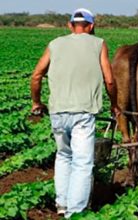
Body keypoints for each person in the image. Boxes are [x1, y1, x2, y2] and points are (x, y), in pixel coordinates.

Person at [30, 8, 120, 218]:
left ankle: (61, 204)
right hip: (83, 113)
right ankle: (75, 212)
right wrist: (114, 105)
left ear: (70, 25)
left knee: (63, 156)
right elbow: (109, 79)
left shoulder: (55, 44)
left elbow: (36, 76)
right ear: (91, 26)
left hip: (58, 112)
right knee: (82, 161)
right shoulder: (98, 44)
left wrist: (36, 102)